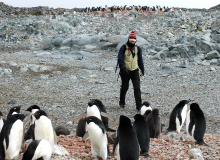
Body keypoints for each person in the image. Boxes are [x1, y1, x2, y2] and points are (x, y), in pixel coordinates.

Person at [117, 31, 144, 111]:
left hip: (135, 70)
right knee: (125, 87)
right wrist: (122, 67)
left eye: (133, 40)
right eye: (131, 40)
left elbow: (140, 60)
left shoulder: (138, 49)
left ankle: (139, 106)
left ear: (135, 40)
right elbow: (120, 58)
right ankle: (122, 102)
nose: (132, 41)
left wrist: (142, 68)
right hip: (125, 70)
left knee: (137, 88)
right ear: (128, 39)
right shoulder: (123, 47)